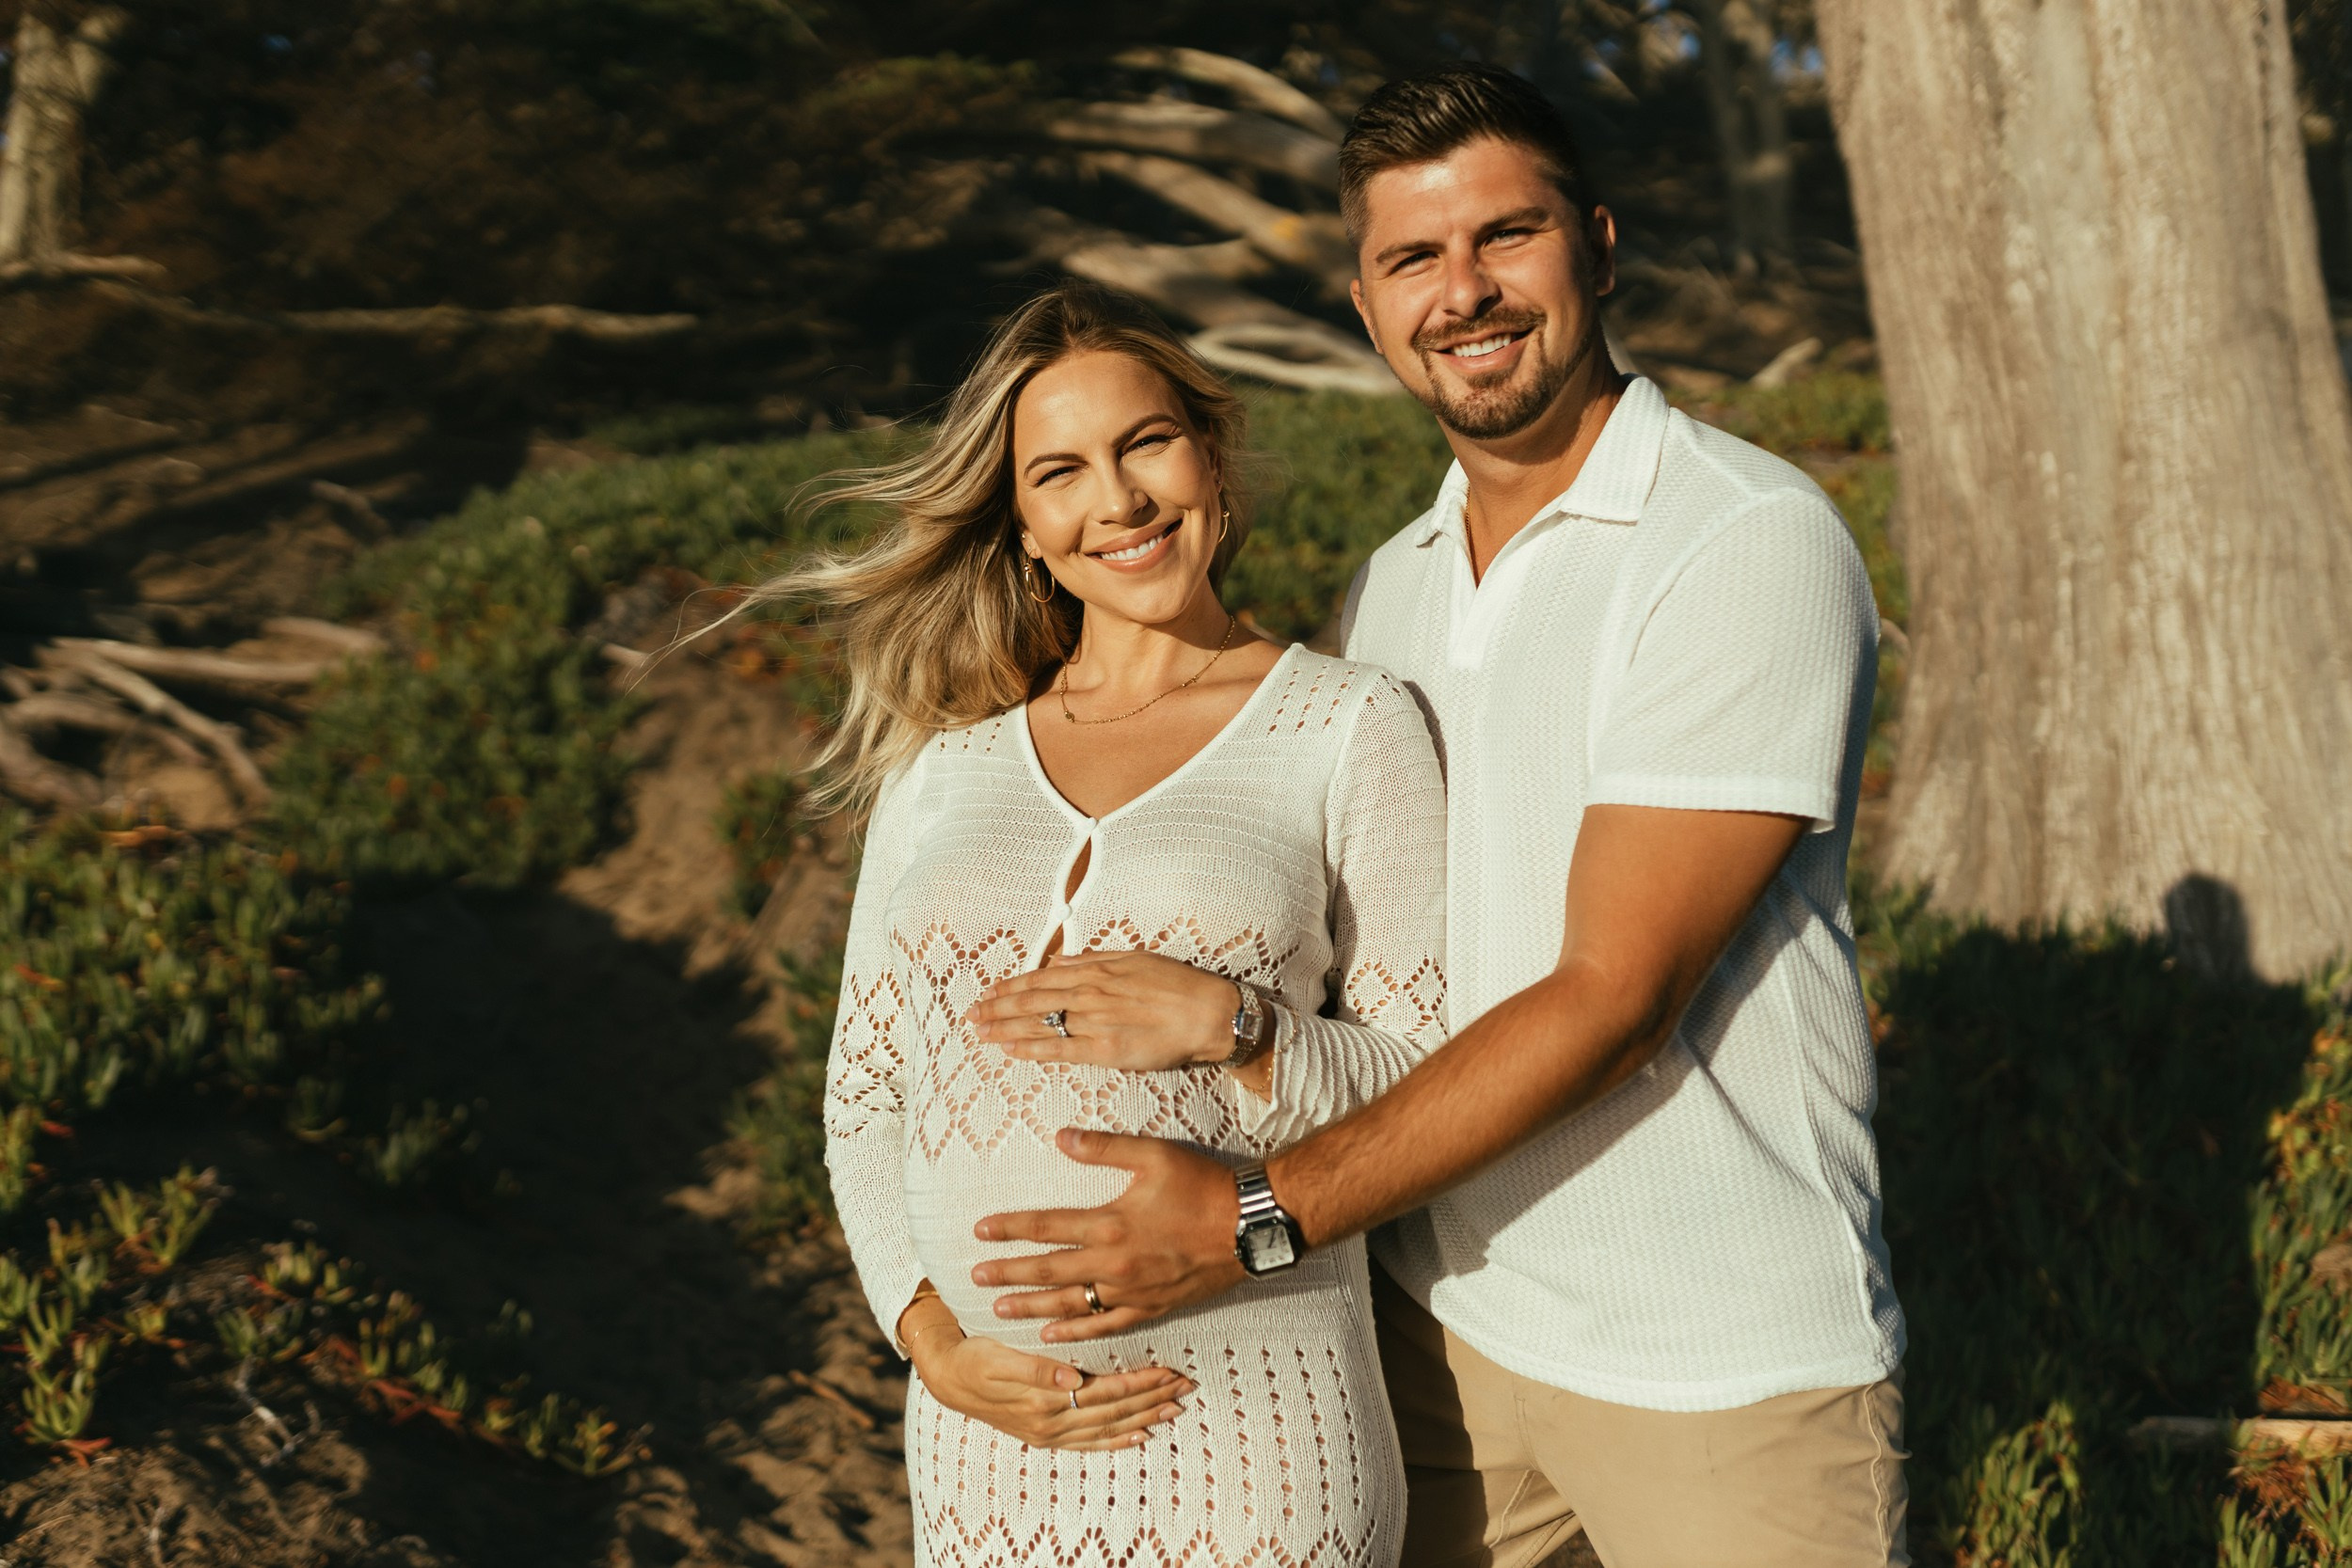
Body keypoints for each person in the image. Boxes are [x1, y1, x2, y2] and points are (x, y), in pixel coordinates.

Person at [968, 67, 1909, 1568]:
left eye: (1506, 237)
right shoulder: (1395, 582)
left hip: (1716, 1363)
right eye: (1414, 258)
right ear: (1364, 303)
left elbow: (1618, 998)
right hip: (1433, 1334)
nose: (1462, 293)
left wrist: (1253, 1220)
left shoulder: (1740, 541)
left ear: (1597, 245)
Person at [778, 281, 1449, 1568]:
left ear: (1211, 455)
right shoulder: (947, 769)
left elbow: (1431, 1091)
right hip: (987, 1456)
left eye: (1147, 443)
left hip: (1259, 1443)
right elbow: (866, 1095)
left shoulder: (1348, 725)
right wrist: (932, 1343)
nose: (1121, 500)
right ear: (1025, 526)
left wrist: (1238, 1028)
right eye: (1064, 471)